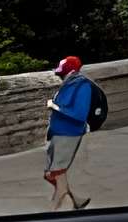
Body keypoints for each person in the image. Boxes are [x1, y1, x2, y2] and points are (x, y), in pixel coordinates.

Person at [42, 55, 100, 212]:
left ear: (72, 71)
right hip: (58, 132)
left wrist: (55, 107)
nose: (60, 76)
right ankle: (76, 200)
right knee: (50, 173)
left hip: (69, 134)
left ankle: (53, 209)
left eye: (63, 73)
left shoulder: (83, 87)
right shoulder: (69, 84)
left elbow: (79, 114)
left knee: (56, 171)